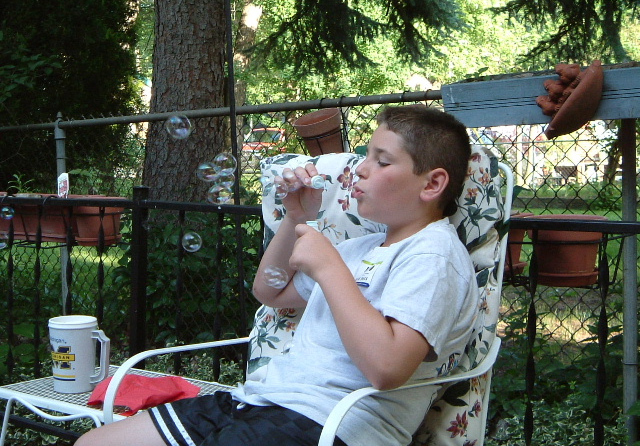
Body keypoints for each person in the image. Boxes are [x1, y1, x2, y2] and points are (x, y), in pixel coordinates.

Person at [75, 104, 478, 446]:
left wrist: (329, 269)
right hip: (257, 402)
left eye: (382, 161)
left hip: (328, 426)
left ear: (432, 184)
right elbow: (271, 291)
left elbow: (387, 369)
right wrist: (296, 217)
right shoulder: (359, 248)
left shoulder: (434, 255)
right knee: (92, 443)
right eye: (365, 155)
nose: (361, 169)